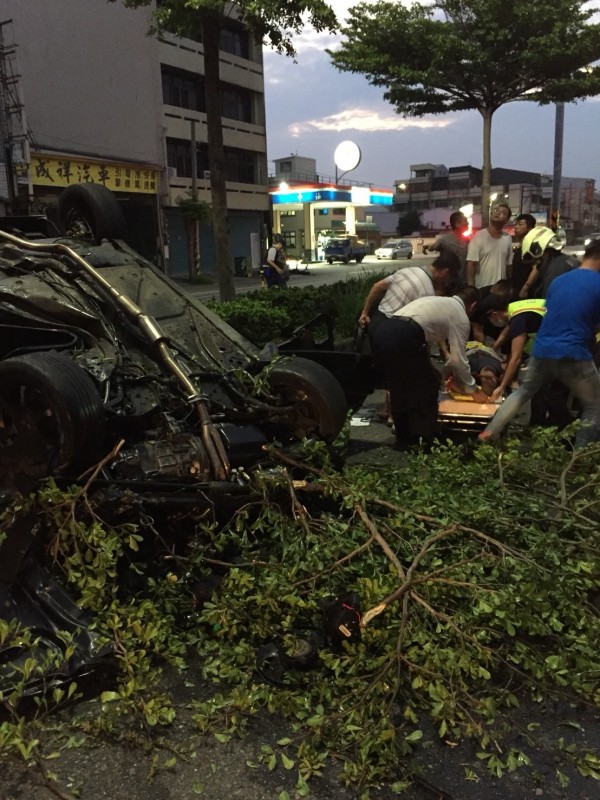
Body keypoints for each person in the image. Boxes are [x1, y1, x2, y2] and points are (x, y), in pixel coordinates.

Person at [479, 239, 600, 448]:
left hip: (542, 349)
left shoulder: (559, 281)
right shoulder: (597, 283)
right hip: (573, 353)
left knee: (523, 392)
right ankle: (579, 457)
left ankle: (487, 434)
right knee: (595, 405)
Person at [372, 285, 488, 448]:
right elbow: (458, 359)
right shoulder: (460, 316)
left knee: (399, 387)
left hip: (383, 331)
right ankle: (425, 439)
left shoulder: (439, 302)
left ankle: (404, 440)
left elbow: (422, 337)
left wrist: (429, 366)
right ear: (473, 305)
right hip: (404, 335)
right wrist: (474, 390)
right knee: (428, 387)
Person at [358, 251, 460, 336]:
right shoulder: (428, 293)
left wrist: (364, 313)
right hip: (394, 332)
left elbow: (377, 286)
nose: (445, 281)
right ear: (445, 272)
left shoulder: (407, 270)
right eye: (448, 278)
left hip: (376, 323)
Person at [518, 226, 578, 299]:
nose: (537, 265)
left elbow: (550, 304)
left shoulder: (555, 271)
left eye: (539, 259)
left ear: (548, 251)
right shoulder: (564, 261)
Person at [466, 204, 513, 290]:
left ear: (507, 220)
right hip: (482, 287)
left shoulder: (507, 238)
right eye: (496, 210)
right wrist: (471, 288)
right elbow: (471, 264)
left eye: (503, 212)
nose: (498, 213)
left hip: (500, 289)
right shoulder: (479, 236)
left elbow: (509, 264)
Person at [423, 211, 469, 282]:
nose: (468, 223)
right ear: (457, 224)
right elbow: (435, 246)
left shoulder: (467, 241)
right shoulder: (445, 240)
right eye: (465, 220)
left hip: (463, 282)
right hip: (448, 284)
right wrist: (428, 247)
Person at [510, 213, 537, 298]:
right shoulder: (521, 246)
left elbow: (536, 268)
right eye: (516, 224)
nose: (516, 227)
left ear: (530, 228)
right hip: (517, 289)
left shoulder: (531, 246)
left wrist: (525, 288)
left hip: (527, 293)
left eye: (520, 224)